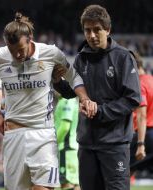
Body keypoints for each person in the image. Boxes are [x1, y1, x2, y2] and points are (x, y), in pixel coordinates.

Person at [0, 12, 96, 190]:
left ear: (30, 39)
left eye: (20, 50)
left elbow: (74, 77)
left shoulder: (51, 53)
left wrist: (84, 98)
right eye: (12, 51)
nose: (17, 56)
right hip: (14, 135)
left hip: (43, 134)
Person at [57, 5, 141, 190]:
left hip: (115, 144)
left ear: (108, 30)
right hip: (87, 144)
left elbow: (133, 98)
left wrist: (101, 111)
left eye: (97, 30)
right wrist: (56, 80)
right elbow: (71, 91)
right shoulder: (81, 59)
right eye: (87, 30)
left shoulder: (123, 58)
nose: (92, 35)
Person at [130, 52, 153, 174]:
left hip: (144, 135)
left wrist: (140, 143)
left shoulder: (139, 84)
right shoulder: (151, 80)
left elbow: (141, 115)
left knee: (118, 172)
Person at [54, 97, 80, 190]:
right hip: (72, 148)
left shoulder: (67, 100)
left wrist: (54, 142)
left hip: (66, 148)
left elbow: (65, 126)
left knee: (67, 184)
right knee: (75, 184)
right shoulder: (68, 100)